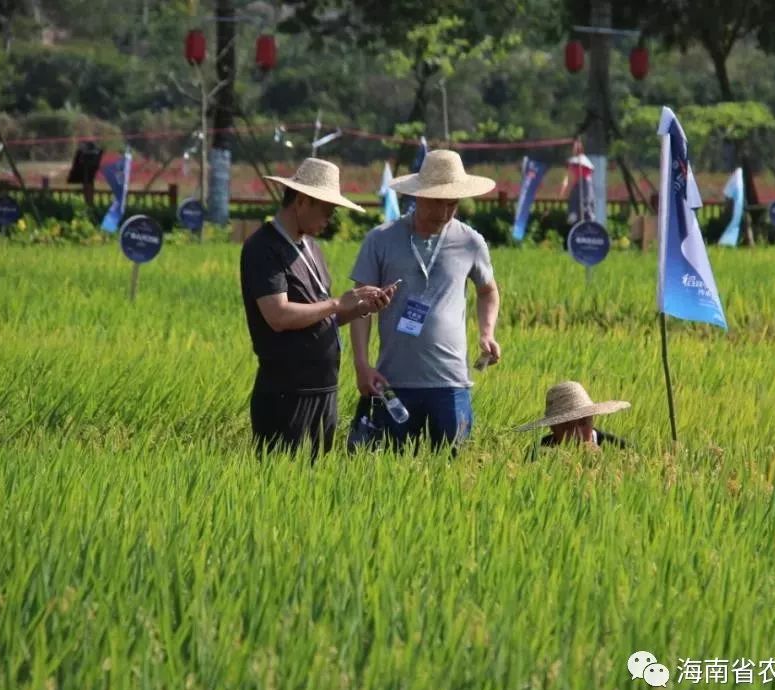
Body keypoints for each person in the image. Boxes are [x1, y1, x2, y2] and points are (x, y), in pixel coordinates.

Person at [240, 158, 393, 458]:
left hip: (324, 392)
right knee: (281, 487)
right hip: (286, 395)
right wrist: (338, 302)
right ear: (302, 201)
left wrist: (362, 307)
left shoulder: (310, 247)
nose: (330, 219)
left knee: (313, 490)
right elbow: (278, 315)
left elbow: (324, 317)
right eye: (327, 210)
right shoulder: (263, 247)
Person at [349, 149, 501, 450]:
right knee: (388, 472)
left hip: (451, 383)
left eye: (452, 204)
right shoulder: (381, 239)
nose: (444, 213)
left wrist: (487, 332)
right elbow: (359, 307)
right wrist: (361, 365)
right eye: (437, 203)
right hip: (393, 381)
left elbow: (488, 290)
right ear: (419, 195)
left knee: (451, 472)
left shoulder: (471, 241)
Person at [515, 381, 631, 454]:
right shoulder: (538, 451)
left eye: (583, 423)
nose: (577, 434)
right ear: (552, 427)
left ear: (592, 419)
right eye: (567, 426)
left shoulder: (622, 449)